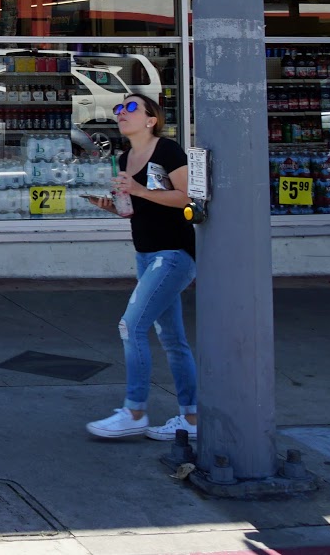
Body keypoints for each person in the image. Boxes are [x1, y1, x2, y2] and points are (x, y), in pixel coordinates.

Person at [85, 95, 199, 442]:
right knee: (173, 339)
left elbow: (187, 197)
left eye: (132, 107)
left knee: (131, 326)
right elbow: (135, 209)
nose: (122, 113)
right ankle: (192, 418)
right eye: (119, 108)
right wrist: (113, 206)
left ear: (152, 119)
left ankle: (134, 412)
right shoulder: (124, 158)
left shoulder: (168, 151)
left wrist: (138, 189)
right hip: (146, 255)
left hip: (174, 253)